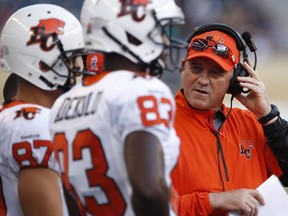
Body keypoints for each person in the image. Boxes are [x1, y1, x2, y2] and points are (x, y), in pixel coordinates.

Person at [49, 0, 185, 215]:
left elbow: (71, 199)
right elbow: (149, 190)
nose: (165, 40)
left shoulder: (62, 103)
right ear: (131, 34)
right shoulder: (142, 89)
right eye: (158, 30)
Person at [170, 23, 288, 216]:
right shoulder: (157, 125)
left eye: (215, 73)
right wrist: (214, 201)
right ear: (183, 67)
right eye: (196, 68)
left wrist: (269, 117)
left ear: (236, 80)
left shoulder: (251, 123)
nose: (202, 79)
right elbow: (138, 207)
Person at [0, 4, 85, 216]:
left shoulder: (15, 117)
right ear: (43, 66)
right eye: (72, 58)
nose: (80, 67)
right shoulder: (33, 125)